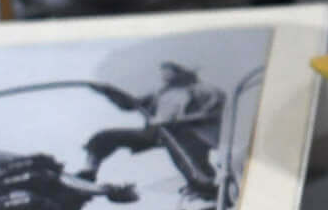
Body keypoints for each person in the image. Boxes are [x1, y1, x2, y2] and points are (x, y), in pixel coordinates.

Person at [78, 62, 226, 197]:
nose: (164, 75)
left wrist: (177, 120)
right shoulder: (160, 93)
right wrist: (108, 91)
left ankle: (207, 188)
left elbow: (215, 112)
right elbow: (131, 104)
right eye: (163, 72)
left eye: (168, 71)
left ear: (180, 71)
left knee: (192, 165)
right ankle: (89, 171)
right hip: (157, 133)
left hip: (188, 134)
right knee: (104, 137)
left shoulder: (201, 89)